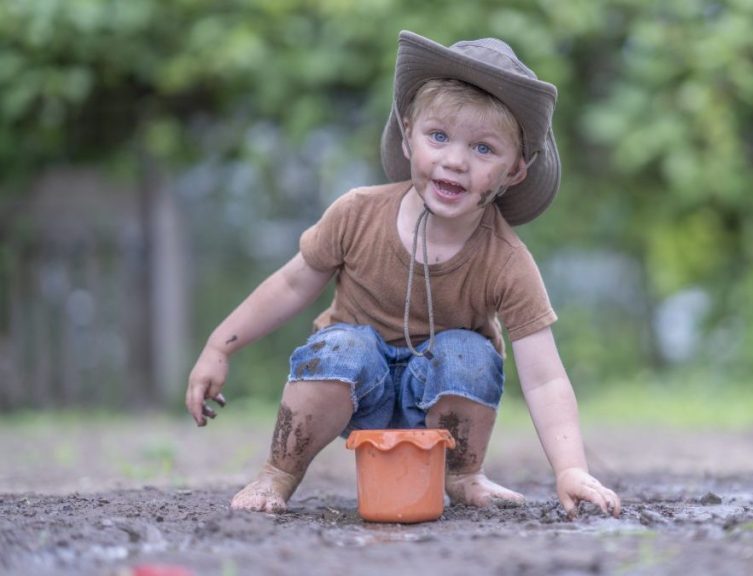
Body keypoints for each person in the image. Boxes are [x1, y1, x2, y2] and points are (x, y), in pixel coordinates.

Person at [185, 30, 621, 519]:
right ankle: (278, 472)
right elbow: (291, 284)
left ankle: (462, 473)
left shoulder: (505, 259)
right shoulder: (357, 213)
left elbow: (543, 378)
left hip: (439, 398)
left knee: (470, 353)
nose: (454, 160)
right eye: (439, 137)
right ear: (408, 134)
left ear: (514, 172)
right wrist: (219, 346)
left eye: (483, 149)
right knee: (342, 346)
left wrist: (570, 469)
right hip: (353, 385)